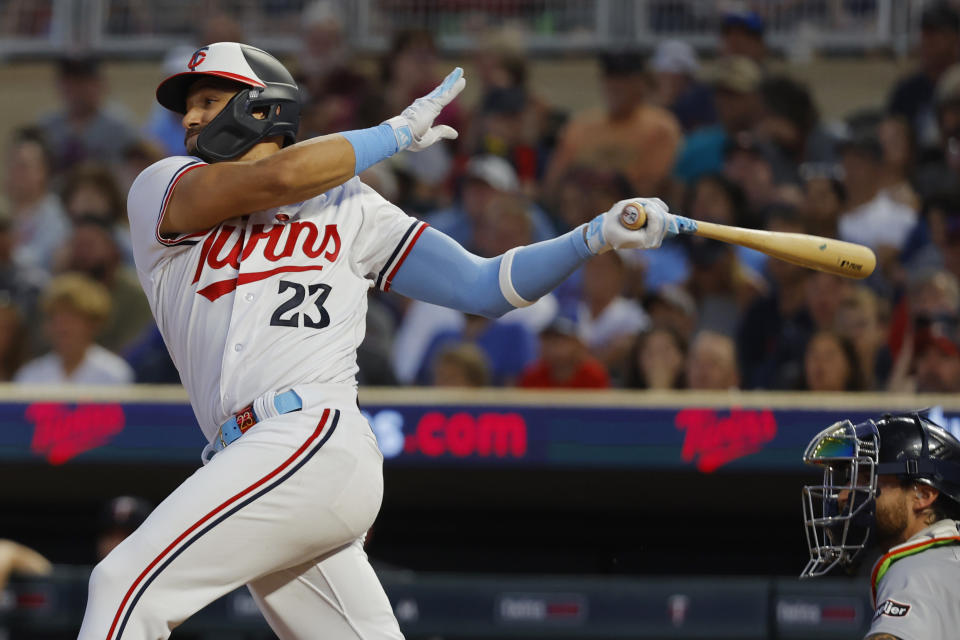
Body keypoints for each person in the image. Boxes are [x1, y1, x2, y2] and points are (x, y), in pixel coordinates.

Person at [78, 42, 674, 638]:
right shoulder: (162, 185)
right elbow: (278, 178)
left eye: (208, 100)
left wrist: (592, 236)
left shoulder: (350, 204)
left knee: (122, 585)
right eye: (188, 106)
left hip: (308, 434)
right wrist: (390, 134)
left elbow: (485, 285)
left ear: (261, 107)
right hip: (249, 459)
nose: (189, 117)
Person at [801, 413, 960, 639]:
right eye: (848, 480)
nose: (843, 496)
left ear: (923, 495)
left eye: (867, 479)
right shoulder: (947, 563)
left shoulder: (916, 570)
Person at [14, 273, 134, 385]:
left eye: (71, 318)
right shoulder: (29, 375)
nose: (63, 327)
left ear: (92, 324)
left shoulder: (115, 374)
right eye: (57, 318)